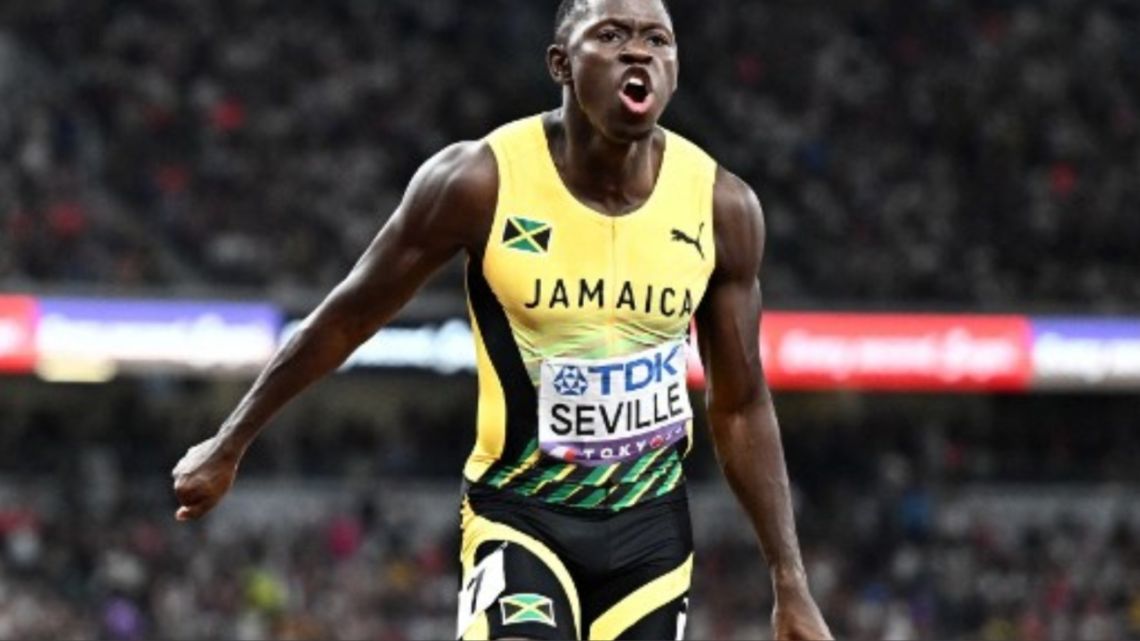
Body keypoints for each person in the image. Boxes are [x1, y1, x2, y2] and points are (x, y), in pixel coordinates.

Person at [172, 0, 832, 638]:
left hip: (650, 531)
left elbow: (740, 404)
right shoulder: (479, 180)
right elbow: (348, 318)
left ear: (676, 68)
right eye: (611, 35)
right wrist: (230, 441)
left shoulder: (721, 205)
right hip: (520, 514)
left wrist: (790, 580)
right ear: (560, 63)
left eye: (657, 39)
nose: (638, 52)